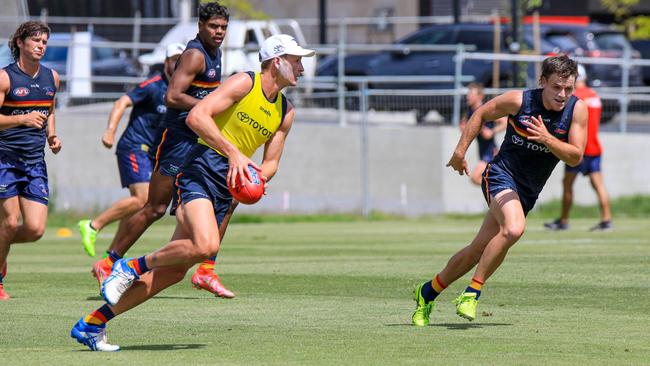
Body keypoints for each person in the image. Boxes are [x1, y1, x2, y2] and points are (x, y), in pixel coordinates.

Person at [70, 34, 314, 351]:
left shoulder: (286, 111)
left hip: (226, 186)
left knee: (172, 273)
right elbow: (198, 117)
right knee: (206, 245)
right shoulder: (244, 83)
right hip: (199, 169)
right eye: (297, 61)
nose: (302, 68)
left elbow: (270, 164)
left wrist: (255, 179)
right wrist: (235, 154)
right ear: (277, 61)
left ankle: (92, 324)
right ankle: (130, 266)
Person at [411, 55, 588, 326]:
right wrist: (460, 152)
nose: (562, 94)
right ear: (542, 82)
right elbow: (481, 113)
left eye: (568, 88)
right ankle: (472, 292)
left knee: (477, 250)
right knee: (515, 228)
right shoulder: (519, 101)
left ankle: (428, 291)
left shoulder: (577, 110)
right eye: (556, 87)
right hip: (499, 175)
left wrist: (547, 139)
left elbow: (575, 156)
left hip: (527, 191)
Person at [87, 2, 235, 298]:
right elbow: (172, 96)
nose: (218, 32)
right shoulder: (194, 55)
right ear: (200, 25)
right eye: (213, 26)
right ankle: (109, 262)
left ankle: (205, 269)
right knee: (153, 207)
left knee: (226, 197)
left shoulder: (216, 53)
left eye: (222, 28)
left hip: (199, 140)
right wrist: (210, 106)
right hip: (177, 140)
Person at [77, 43, 185, 258]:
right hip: (135, 146)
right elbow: (121, 103)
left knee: (140, 207)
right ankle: (92, 225)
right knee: (143, 199)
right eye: (174, 60)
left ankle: (111, 257)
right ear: (166, 63)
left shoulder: (183, 90)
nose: (177, 64)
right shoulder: (153, 85)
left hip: (155, 153)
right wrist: (110, 130)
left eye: (181, 60)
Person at [0, 21, 62, 300]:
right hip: (5, 159)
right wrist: (21, 119)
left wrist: (53, 135)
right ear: (20, 43)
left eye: (45, 42)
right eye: (36, 40)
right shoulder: (5, 78)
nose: (41, 46)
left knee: (35, 229)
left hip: (35, 161)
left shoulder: (53, 77)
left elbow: (49, 109)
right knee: (10, 222)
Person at [544, 65, 612, 232]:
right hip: (595, 146)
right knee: (598, 185)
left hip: (578, 147)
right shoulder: (594, 95)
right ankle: (606, 219)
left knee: (567, 183)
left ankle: (564, 220)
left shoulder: (575, 98)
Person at [460, 83, 506, 185]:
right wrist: (464, 128)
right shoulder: (469, 111)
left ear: (480, 96)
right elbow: (467, 129)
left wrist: (492, 132)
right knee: (483, 179)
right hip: (482, 151)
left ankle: (499, 190)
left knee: (475, 178)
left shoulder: (486, 109)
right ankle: (497, 193)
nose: (468, 96)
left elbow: (504, 122)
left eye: (471, 94)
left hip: (490, 152)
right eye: (468, 94)